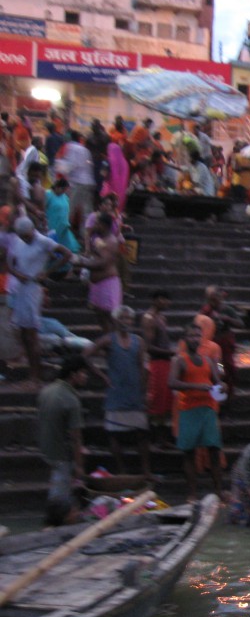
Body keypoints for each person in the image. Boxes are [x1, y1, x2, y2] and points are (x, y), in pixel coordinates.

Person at [84, 305, 151, 479]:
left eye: (128, 318)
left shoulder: (138, 341)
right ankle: (121, 470)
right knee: (114, 433)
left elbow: (143, 366)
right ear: (115, 320)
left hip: (134, 390)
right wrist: (102, 376)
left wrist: (144, 389)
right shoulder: (108, 339)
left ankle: (145, 471)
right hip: (116, 390)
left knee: (141, 433)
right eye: (122, 318)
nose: (125, 321)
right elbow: (85, 355)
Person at [8, 216, 71, 385]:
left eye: (27, 236)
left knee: (31, 336)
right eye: (22, 236)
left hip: (32, 290)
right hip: (20, 289)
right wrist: (16, 273)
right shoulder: (18, 241)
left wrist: (48, 272)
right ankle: (32, 374)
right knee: (23, 335)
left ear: (32, 231)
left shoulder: (43, 241)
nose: (25, 239)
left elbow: (67, 254)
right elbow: (11, 262)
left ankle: (35, 378)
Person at [168, 323, 224, 501]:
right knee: (189, 453)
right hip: (188, 409)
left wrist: (223, 386)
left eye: (197, 336)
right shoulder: (180, 360)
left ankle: (218, 492)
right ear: (185, 339)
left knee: (214, 450)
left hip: (207, 409)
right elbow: (172, 383)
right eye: (191, 336)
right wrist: (196, 386)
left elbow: (217, 381)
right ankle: (192, 493)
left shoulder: (207, 360)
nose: (194, 339)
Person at [38, 355, 89, 525]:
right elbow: (76, 438)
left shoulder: (47, 390)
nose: (85, 377)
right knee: (59, 495)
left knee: (58, 486)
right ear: (73, 375)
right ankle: (54, 525)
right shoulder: (71, 400)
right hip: (61, 452)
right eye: (83, 373)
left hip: (47, 448)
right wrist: (79, 467)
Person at [199, 285, 244, 408]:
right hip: (212, 348)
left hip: (225, 346)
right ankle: (215, 401)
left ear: (220, 297)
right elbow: (198, 327)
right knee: (218, 370)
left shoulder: (227, 310)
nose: (213, 302)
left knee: (227, 369)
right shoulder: (205, 310)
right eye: (210, 299)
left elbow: (241, 324)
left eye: (215, 299)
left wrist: (228, 319)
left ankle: (227, 400)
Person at [142, 290, 175, 445]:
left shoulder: (162, 318)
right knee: (155, 401)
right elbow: (148, 347)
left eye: (168, 300)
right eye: (164, 300)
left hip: (165, 362)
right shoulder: (149, 319)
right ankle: (150, 438)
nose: (167, 303)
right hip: (156, 363)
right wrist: (171, 352)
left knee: (164, 402)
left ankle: (161, 438)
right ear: (156, 300)